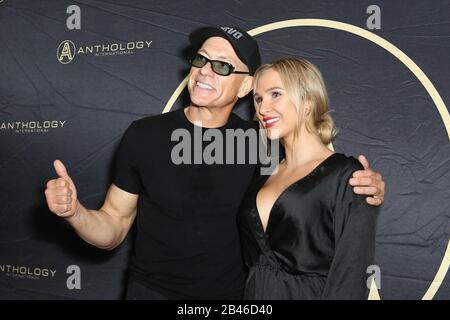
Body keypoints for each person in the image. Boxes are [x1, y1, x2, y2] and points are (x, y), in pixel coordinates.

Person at [44, 26, 385, 299]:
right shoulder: (144, 135)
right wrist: (76, 213)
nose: (205, 71)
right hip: (151, 292)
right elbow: (113, 224)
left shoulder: (261, 144)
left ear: (244, 86)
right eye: (200, 60)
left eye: (221, 66)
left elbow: (312, 183)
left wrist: (362, 187)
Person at [238, 57, 379, 300]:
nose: (261, 109)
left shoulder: (346, 174)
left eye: (275, 94)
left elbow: (352, 273)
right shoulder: (262, 171)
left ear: (308, 101)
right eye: (258, 99)